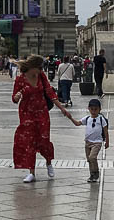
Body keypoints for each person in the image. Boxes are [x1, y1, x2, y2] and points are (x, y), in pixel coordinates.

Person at [12, 54, 78, 183]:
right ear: (33, 67)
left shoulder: (41, 77)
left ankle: (48, 163)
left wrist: (62, 108)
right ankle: (31, 172)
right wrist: (17, 97)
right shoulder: (20, 79)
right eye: (40, 68)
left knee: (44, 140)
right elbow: (14, 97)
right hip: (26, 114)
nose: (42, 70)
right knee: (29, 142)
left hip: (42, 112)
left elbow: (50, 93)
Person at [82, 98, 109, 183]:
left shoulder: (101, 119)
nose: (93, 111)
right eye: (92, 109)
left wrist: (107, 142)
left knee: (92, 157)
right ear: (88, 109)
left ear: (100, 109)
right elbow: (77, 123)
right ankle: (92, 175)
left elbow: (106, 131)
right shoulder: (87, 118)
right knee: (89, 159)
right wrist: (70, 117)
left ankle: (96, 172)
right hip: (87, 142)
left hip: (97, 142)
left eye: (96, 109)